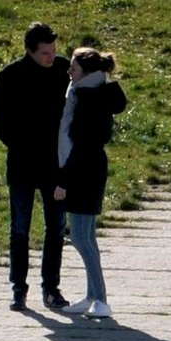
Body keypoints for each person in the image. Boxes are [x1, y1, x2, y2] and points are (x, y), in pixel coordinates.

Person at [0, 23, 70, 309]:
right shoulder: (10, 76)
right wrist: (20, 144)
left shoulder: (63, 70)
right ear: (30, 51)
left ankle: (51, 288)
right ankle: (18, 288)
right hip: (22, 164)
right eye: (45, 53)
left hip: (56, 165)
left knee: (56, 228)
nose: (51, 57)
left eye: (53, 51)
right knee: (20, 228)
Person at [52, 47, 128, 323]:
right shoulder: (84, 92)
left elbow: (80, 144)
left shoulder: (87, 98)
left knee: (82, 238)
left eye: (73, 66)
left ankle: (102, 300)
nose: (69, 70)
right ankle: (92, 295)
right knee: (85, 237)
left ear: (86, 70)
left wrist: (64, 180)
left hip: (85, 170)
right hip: (86, 167)